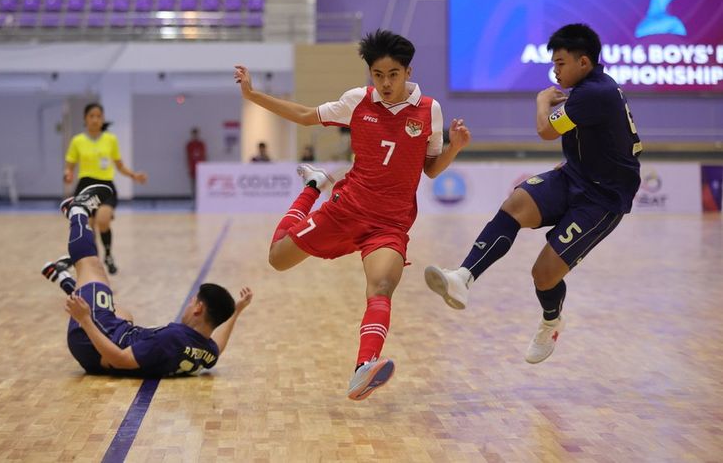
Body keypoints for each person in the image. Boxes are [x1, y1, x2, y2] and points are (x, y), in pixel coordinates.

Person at [234, 29, 471, 400]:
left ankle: (363, 368)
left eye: (393, 74)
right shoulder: (357, 102)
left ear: (408, 72)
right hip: (347, 210)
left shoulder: (429, 110)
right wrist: (252, 95)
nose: (386, 83)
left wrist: (454, 148)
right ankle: (312, 186)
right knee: (277, 258)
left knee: (381, 287)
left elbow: (431, 169)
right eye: (378, 75)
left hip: (391, 223)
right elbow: (303, 115)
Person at [424, 23, 642, 364]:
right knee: (516, 203)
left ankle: (551, 322)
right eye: (554, 64)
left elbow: (544, 130)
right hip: (574, 176)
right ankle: (462, 278)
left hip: (603, 199)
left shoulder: (594, 93)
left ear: (584, 62)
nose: (555, 71)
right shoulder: (589, 90)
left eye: (560, 63)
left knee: (543, 274)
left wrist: (541, 100)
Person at [41, 183, 253, 377]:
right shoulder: (205, 350)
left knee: (91, 266)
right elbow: (219, 346)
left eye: (192, 301)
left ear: (198, 309)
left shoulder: (171, 339)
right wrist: (237, 311)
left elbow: (120, 360)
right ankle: (63, 277)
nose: (188, 304)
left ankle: (76, 210)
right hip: (116, 335)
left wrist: (85, 320)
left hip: (90, 343)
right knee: (122, 312)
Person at [64, 103, 147, 275]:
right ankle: (93, 260)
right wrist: (68, 174)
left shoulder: (110, 139)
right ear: (85, 119)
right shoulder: (77, 141)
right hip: (85, 185)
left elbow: (120, 166)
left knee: (103, 220)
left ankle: (108, 255)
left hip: (105, 186)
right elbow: (70, 166)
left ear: (102, 119)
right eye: (91, 116)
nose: (95, 119)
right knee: (88, 227)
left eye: (98, 116)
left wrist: (134, 176)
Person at [186, 128, 207, 198]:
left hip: (201, 167)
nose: (195, 136)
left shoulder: (201, 144)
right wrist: (189, 167)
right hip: (192, 167)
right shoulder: (189, 145)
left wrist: (205, 166)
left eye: (196, 134)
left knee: (201, 184)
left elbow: (204, 155)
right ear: (192, 135)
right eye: (194, 134)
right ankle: (194, 198)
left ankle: (202, 197)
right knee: (193, 184)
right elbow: (188, 156)